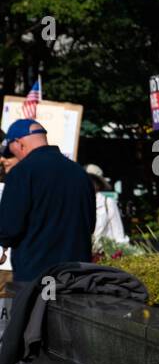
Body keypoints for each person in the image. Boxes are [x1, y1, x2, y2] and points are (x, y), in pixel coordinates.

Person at [0, 119, 95, 284]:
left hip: (35, 275)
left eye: (11, 151)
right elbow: (90, 223)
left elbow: (10, 226)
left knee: (36, 311)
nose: (14, 156)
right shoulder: (80, 173)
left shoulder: (22, 172)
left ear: (19, 143)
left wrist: (4, 244)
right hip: (76, 275)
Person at [87, 164, 129, 247]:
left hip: (105, 255)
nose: (89, 183)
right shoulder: (81, 203)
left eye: (92, 180)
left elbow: (118, 233)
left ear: (98, 184)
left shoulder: (107, 202)